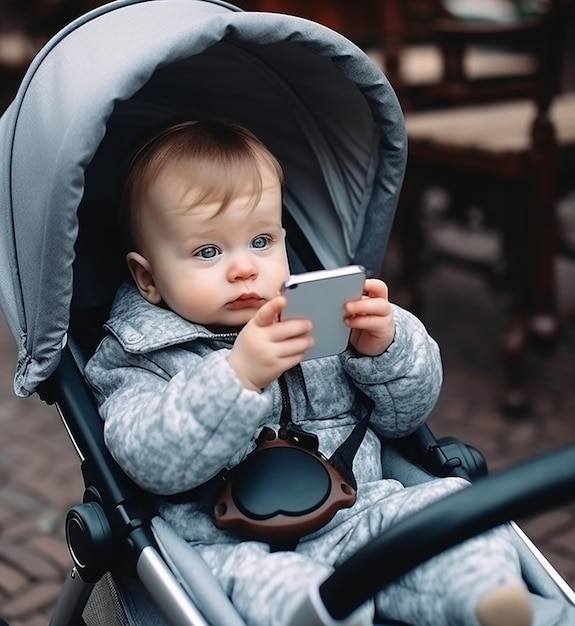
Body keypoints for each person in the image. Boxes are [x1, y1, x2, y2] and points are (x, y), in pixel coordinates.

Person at [85, 118, 532, 626]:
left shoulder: (320, 317)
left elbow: (403, 419)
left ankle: (483, 594)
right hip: (230, 548)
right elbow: (148, 456)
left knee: (447, 506)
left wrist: (384, 349)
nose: (244, 268)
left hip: (358, 511)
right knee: (284, 595)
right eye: (208, 251)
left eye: (260, 242)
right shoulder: (134, 357)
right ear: (148, 277)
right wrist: (238, 377)